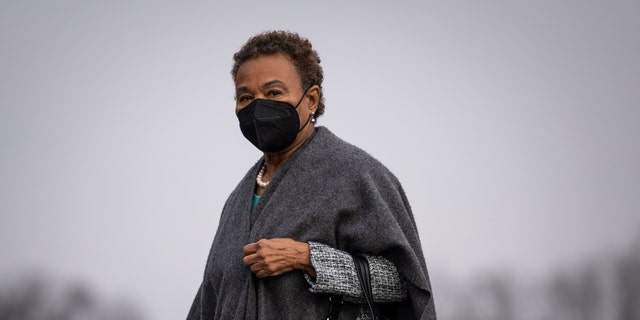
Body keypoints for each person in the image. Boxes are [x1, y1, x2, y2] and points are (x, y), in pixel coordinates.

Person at [187, 30, 436, 320]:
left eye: (274, 93)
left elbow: (404, 284)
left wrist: (306, 258)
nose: (257, 105)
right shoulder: (237, 200)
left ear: (312, 100)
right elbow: (211, 298)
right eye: (245, 96)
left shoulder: (356, 174)